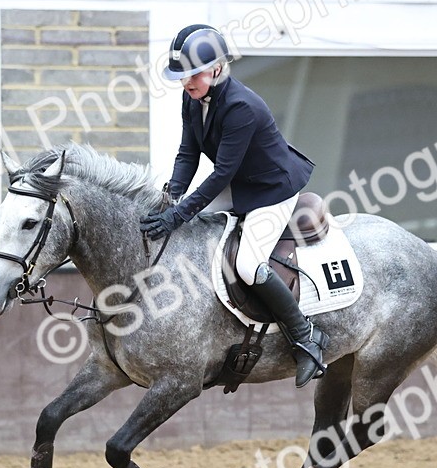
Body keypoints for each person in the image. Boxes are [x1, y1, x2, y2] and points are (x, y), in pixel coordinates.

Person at [139, 24, 328, 388]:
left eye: (193, 74)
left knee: (248, 264)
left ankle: (306, 336)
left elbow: (221, 173)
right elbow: (188, 153)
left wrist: (179, 214)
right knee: (188, 231)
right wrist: (170, 197)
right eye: (181, 76)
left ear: (216, 68)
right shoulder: (193, 98)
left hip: (272, 189)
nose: (186, 82)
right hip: (240, 182)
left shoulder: (241, 106)